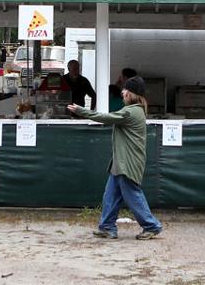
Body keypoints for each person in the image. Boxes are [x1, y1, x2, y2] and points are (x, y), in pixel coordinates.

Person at [69, 76, 163, 240]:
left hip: (127, 163)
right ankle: (107, 227)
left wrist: (81, 111)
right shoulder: (137, 110)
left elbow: (105, 118)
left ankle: (151, 226)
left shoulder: (130, 111)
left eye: (125, 89)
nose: (122, 92)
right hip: (121, 163)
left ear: (132, 93)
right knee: (110, 196)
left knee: (133, 195)